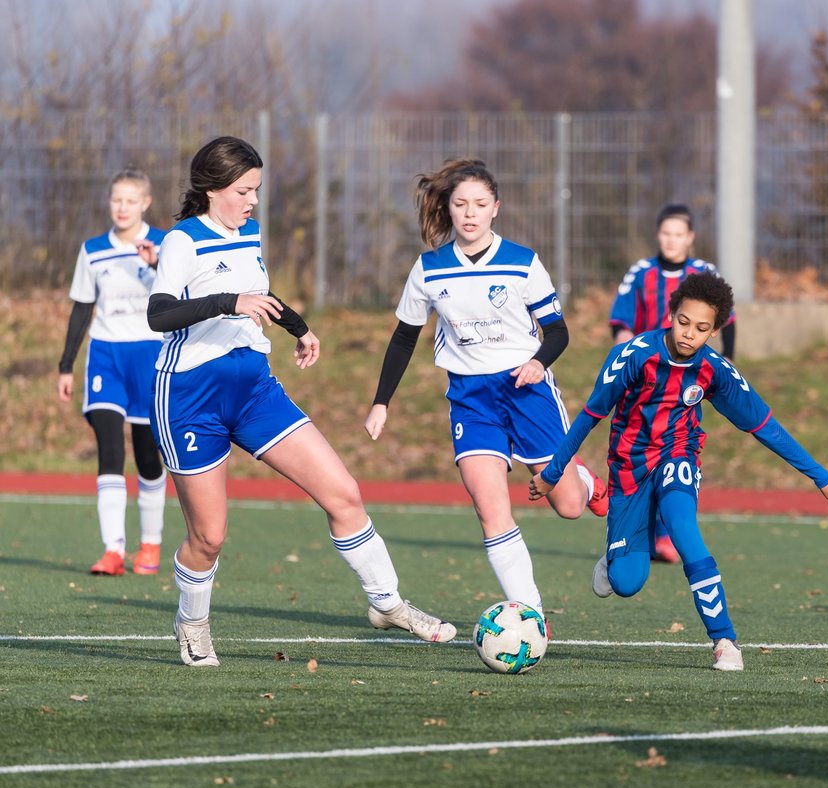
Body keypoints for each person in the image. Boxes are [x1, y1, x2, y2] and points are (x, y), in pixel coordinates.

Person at [149, 136, 455, 667]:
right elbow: (159, 315)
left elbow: (258, 295)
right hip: (189, 397)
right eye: (244, 191)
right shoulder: (181, 241)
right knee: (210, 536)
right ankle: (192, 622)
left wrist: (298, 327)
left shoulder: (249, 235)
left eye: (256, 190)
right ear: (212, 189)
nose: (252, 201)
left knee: (344, 493)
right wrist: (228, 302)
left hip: (254, 390)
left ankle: (388, 604)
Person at [530, 271, 828, 671]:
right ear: (671, 314)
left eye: (701, 328)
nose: (688, 334)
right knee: (626, 583)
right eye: (683, 322)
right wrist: (553, 473)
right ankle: (598, 499)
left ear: (715, 331)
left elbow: (764, 425)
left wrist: (821, 477)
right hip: (628, 467)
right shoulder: (633, 356)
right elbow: (590, 416)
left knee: (684, 529)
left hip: (678, 454)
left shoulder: (715, 371)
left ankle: (724, 641)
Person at [365, 158, 607, 619]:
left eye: (479, 204)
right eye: (460, 204)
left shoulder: (522, 262)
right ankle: (531, 615)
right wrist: (381, 403)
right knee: (490, 509)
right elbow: (403, 337)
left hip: (526, 390)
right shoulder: (430, 269)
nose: (470, 213)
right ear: (449, 209)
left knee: (571, 508)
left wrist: (538, 362)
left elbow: (558, 331)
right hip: (470, 399)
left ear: (496, 207)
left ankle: (586, 479)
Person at [57, 168, 168, 577]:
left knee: (147, 454)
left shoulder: (165, 244)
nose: (121, 207)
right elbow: (82, 308)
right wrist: (66, 364)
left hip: (151, 356)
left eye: (130, 200)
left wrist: (157, 266)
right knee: (109, 447)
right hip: (106, 357)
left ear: (145, 203)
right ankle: (112, 550)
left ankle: (151, 543)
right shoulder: (92, 250)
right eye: (115, 199)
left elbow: (186, 297)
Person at [610, 203, 735, 562]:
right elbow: (622, 321)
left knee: (676, 446)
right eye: (666, 233)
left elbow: (729, 319)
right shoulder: (641, 273)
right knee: (639, 446)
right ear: (658, 235)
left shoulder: (704, 272)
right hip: (643, 374)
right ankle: (638, 528)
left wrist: (728, 360)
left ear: (690, 238)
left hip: (687, 378)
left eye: (678, 234)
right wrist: (623, 353)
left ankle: (665, 533)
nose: (671, 240)